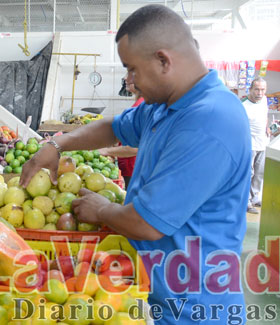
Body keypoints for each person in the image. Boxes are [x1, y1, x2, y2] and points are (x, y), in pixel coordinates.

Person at [21, 4, 250, 323]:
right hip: (157, 291)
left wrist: (101, 210)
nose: (129, 81)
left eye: (131, 69)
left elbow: (147, 223)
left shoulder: (209, 122)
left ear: (163, 60)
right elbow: (113, 126)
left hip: (192, 306)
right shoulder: (168, 106)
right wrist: (57, 145)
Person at [98, 78, 143, 187]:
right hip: (130, 167)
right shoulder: (138, 105)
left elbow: (135, 148)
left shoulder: (141, 107)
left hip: (134, 168)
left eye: (132, 72)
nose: (125, 78)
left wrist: (107, 151)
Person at [242, 77, 269, 214]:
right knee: (249, 174)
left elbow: (265, 115)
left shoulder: (264, 100)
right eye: (257, 89)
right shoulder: (243, 105)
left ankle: (255, 197)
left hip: (262, 143)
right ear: (250, 89)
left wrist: (267, 128)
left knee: (259, 173)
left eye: (263, 89)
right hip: (249, 145)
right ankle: (245, 202)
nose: (260, 93)